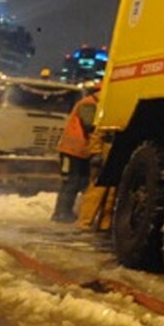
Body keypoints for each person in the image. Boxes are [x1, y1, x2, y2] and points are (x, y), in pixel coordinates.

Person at [52, 81, 100, 222]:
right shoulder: (89, 104)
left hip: (79, 151)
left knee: (80, 182)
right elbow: (89, 126)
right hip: (72, 151)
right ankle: (61, 213)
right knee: (71, 181)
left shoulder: (91, 103)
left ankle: (67, 212)